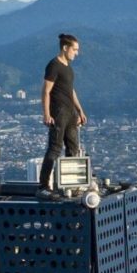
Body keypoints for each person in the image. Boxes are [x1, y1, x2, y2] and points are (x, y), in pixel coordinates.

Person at [38, 34, 86, 187]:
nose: (76, 53)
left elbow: (71, 91)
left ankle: (70, 185)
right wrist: (47, 114)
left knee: (73, 149)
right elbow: (46, 90)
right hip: (58, 112)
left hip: (71, 113)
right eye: (75, 49)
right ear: (65, 48)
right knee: (54, 149)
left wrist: (80, 111)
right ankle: (44, 185)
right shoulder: (54, 65)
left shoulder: (68, 68)